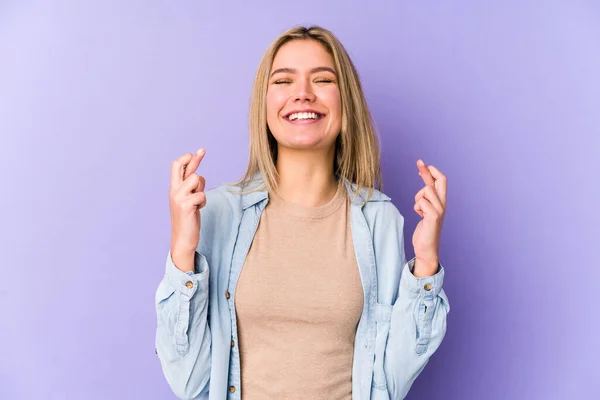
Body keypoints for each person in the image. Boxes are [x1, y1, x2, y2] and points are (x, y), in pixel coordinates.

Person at [155, 25, 450, 400]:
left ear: (346, 103)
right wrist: (182, 251)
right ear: (264, 106)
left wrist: (425, 264)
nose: (303, 94)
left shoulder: (379, 220)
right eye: (283, 81)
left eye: (323, 79)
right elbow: (189, 382)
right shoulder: (218, 214)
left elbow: (391, 380)